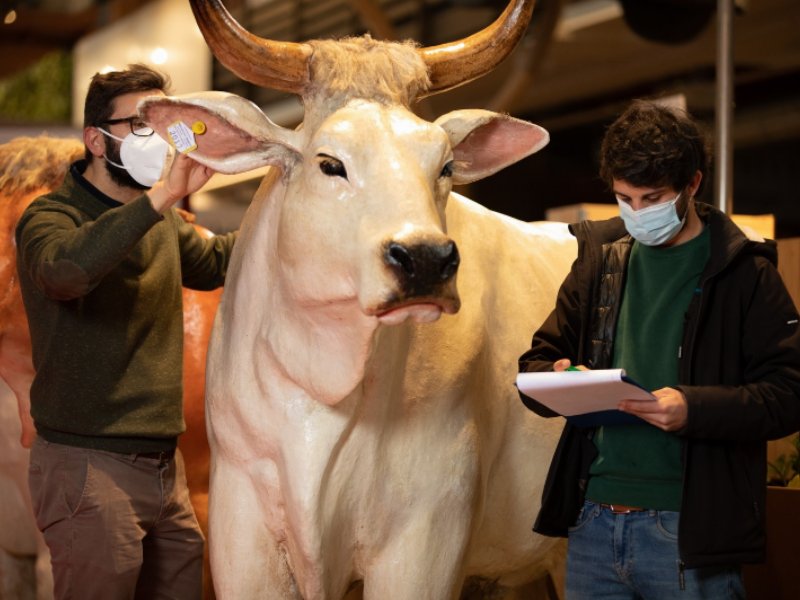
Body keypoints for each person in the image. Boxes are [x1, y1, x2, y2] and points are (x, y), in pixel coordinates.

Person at [518, 99, 800, 598]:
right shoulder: (598, 260)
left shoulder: (744, 270)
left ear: (692, 184)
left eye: (653, 198)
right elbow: (536, 364)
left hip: (688, 531)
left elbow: (789, 393)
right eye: (624, 198)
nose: (637, 213)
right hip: (593, 524)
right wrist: (561, 380)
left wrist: (694, 408)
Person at [15, 64, 236, 599]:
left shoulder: (160, 223)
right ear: (96, 140)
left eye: (162, 126)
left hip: (164, 468)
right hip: (88, 466)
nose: (155, 140)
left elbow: (217, 263)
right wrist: (161, 198)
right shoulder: (51, 217)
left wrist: (294, 194)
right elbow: (66, 272)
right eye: (139, 125)